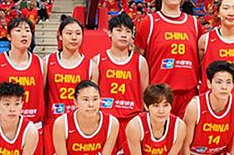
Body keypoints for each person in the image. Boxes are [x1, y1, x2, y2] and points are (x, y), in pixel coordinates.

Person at [134, 0, 204, 118]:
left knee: (186, 132)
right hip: (158, 95)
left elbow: (202, 57)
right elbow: (137, 59)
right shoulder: (150, 22)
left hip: (188, 94)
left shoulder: (194, 23)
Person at [91, 13, 149, 154]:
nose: (123, 35)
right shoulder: (98, 60)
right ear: (109, 33)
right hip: (105, 121)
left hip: (131, 121)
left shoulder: (140, 61)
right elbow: (92, 96)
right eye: (119, 30)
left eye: (128, 31)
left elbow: (145, 96)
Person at [0, 17, 45, 123]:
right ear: (9, 36)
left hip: (33, 127)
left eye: (27, 30)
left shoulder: (41, 64)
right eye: (18, 30)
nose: (24, 34)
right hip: (2, 127)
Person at [45, 16, 92, 155]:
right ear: (60, 35)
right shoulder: (47, 62)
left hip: (79, 127)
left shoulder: (91, 66)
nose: (74, 37)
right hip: (52, 124)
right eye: (69, 33)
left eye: (78, 33)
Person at [182, 61, 234, 155]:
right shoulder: (195, 107)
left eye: (228, 82)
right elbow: (185, 145)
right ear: (209, 84)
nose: (224, 87)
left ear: (233, 84)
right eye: (219, 82)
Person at [52, 80, 119, 155]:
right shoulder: (61, 124)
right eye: (85, 99)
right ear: (75, 102)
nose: (91, 104)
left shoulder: (112, 123)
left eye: (95, 99)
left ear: (100, 100)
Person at [124, 84, 186, 155]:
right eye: (156, 106)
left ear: (171, 106)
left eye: (165, 105)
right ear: (146, 106)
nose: (161, 111)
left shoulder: (179, 127)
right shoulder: (135, 127)